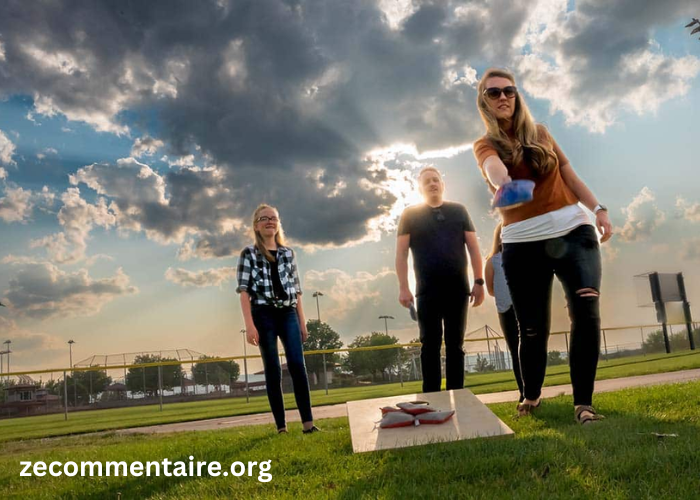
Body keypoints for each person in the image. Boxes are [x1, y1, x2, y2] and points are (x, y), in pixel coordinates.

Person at [473, 68, 613, 424]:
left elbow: (568, 172)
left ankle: (584, 403)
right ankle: (532, 394)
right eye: (494, 93)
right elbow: (494, 170)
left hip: (573, 230)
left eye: (509, 91)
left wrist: (598, 209)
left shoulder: (541, 133)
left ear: (517, 96)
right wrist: (506, 184)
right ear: (485, 103)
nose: (503, 97)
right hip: (521, 242)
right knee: (533, 328)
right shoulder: (484, 144)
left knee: (586, 309)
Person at [395, 166, 485, 393]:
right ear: (420, 188)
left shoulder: (459, 211)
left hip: (458, 288)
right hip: (427, 290)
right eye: (427, 181)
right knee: (430, 344)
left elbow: (474, 248)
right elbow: (401, 253)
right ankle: (432, 398)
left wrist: (479, 281)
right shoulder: (410, 215)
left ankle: (458, 395)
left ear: (443, 185)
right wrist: (404, 288)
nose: (432, 184)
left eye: (436, 180)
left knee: (455, 345)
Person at [236, 204, 319, 434]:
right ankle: (281, 427)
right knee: (272, 368)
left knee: (296, 365)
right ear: (256, 225)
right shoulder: (249, 254)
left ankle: (308, 425)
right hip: (263, 314)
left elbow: (297, 290)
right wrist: (250, 325)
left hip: (288, 313)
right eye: (264, 218)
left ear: (278, 223)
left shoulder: (288, 253)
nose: (269, 221)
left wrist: (302, 322)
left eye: (273, 218)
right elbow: (243, 291)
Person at [484, 222, 523, 404]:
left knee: (528, 349)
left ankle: (533, 390)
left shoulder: (522, 255)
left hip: (523, 307)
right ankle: (523, 392)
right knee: (515, 350)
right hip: (506, 310)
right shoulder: (492, 261)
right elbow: (491, 289)